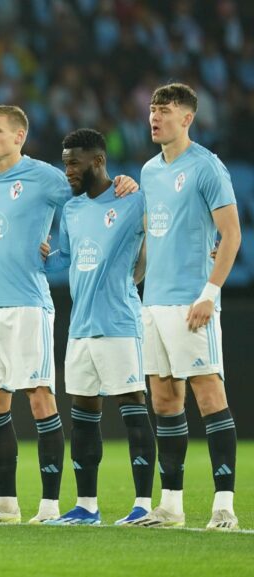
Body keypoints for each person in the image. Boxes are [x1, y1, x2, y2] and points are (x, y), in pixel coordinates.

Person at [0, 105, 137, 524]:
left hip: (28, 303)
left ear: (19, 136)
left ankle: (48, 505)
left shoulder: (46, 177)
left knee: (39, 397)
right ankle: (6, 503)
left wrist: (121, 183)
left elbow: (90, 195)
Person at [134, 83, 241, 530]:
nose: (155, 117)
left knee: (210, 395)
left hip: (190, 302)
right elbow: (148, 241)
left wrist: (208, 294)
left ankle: (224, 506)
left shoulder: (207, 167)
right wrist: (130, 284)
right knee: (164, 400)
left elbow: (231, 235)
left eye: (165, 110)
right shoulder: (148, 170)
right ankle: (172, 505)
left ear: (187, 118)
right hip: (153, 304)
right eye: (153, 109)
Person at [40, 128, 155, 526]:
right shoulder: (71, 210)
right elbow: (66, 260)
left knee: (132, 409)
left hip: (119, 322)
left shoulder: (132, 198)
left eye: (75, 162)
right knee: (83, 415)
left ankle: (144, 505)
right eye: (65, 161)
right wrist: (44, 256)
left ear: (98, 161)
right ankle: (87, 506)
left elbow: (161, 234)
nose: (67, 169)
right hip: (80, 328)